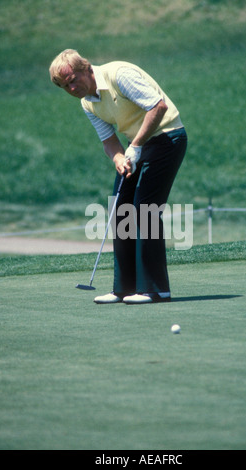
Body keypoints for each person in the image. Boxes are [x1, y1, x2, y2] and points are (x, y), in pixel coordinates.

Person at [49, 49, 187, 304]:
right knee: (121, 210)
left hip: (168, 138)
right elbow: (109, 141)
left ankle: (155, 289)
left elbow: (158, 107)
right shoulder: (87, 103)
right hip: (141, 144)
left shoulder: (119, 75)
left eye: (73, 79)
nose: (72, 88)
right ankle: (124, 288)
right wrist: (118, 158)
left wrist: (134, 146)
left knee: (144, 209)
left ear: (86, 68)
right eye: (65, 86)